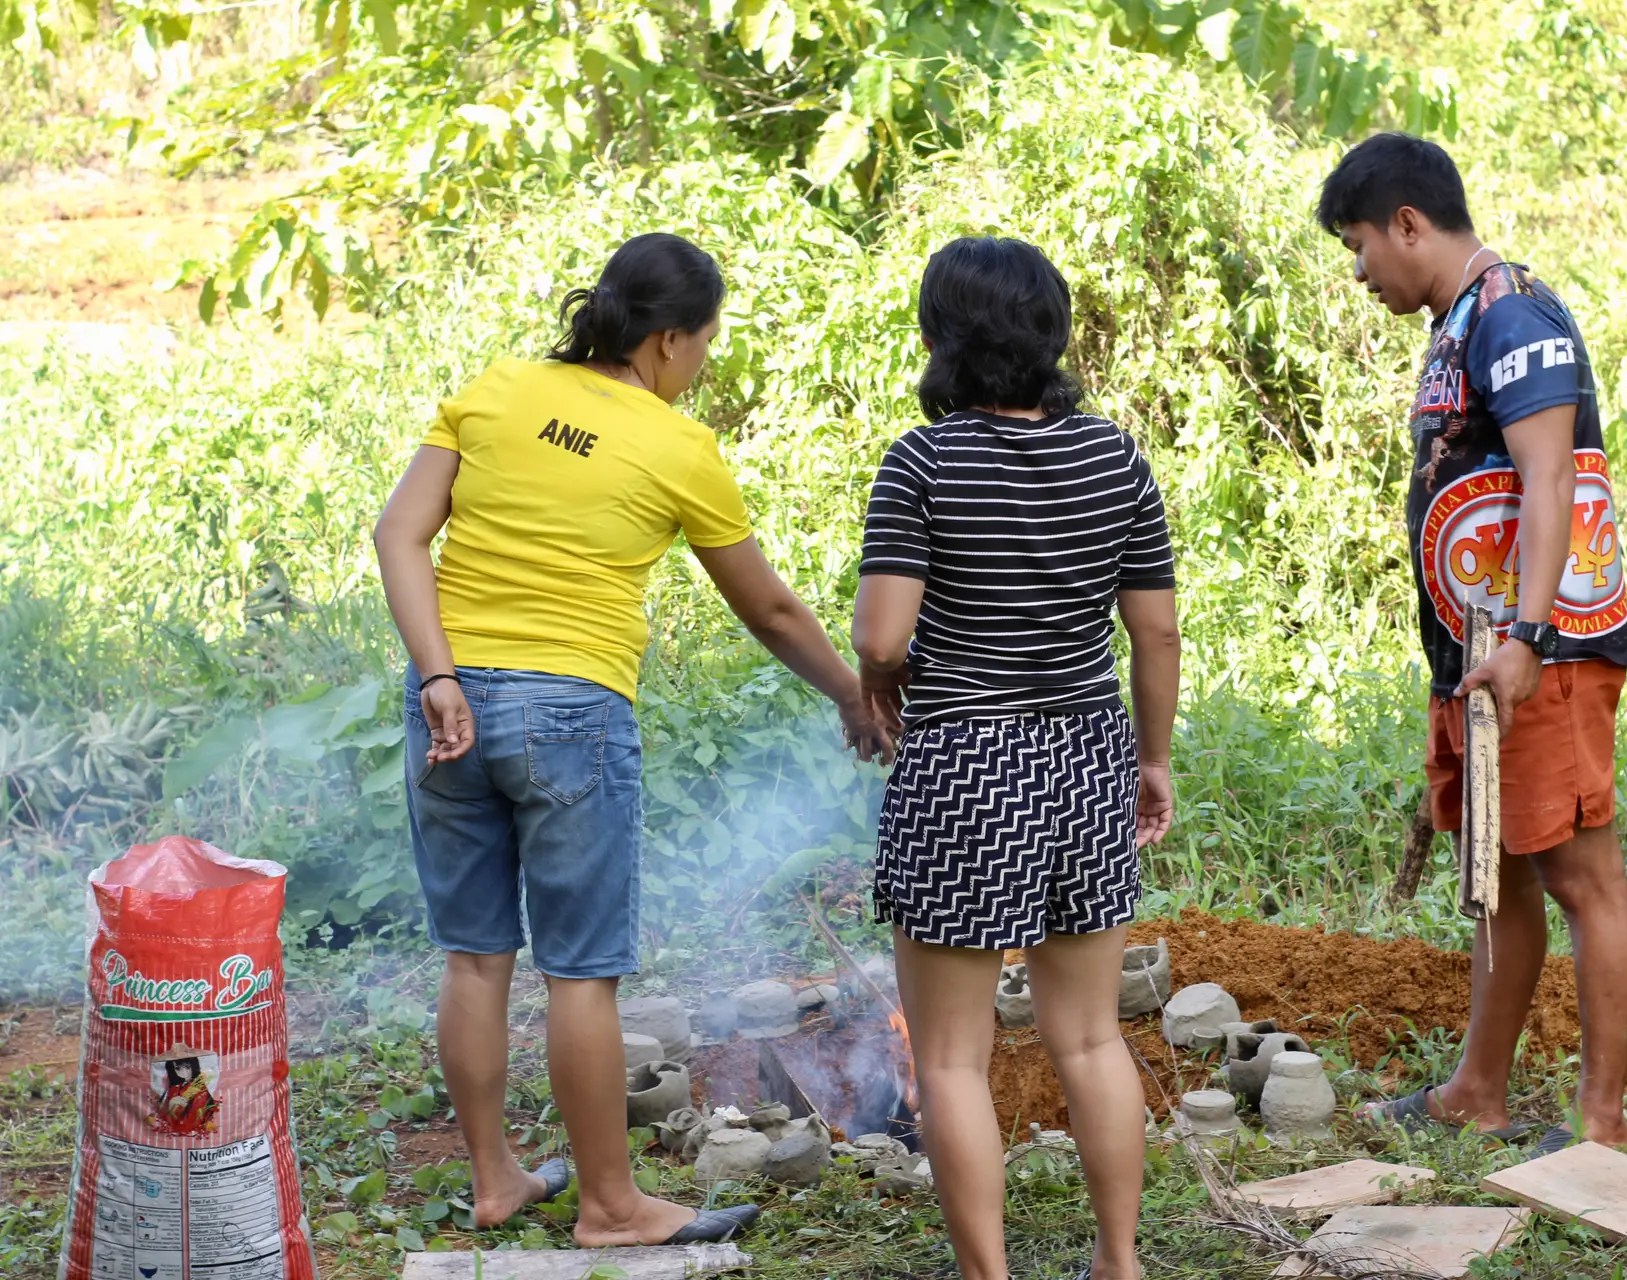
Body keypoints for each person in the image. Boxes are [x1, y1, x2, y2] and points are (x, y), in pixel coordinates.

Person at [374, 232, 886, 1246]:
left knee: (475, 959)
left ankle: (494, 1179)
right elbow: (772, 611)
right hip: (569, 711)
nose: (700, 365)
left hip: (447, 704)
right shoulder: (676, 447)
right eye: (703, 344)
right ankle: (611, 1204)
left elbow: (399, 532)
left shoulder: (497, 390)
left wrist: (440, 673)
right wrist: (852, 696)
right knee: (581, 973)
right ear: (663, 341)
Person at [854, 237, 1181, 1280]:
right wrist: (1154, 757)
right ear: (1050, 334)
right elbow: (1157, 634)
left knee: (953, 1053)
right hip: (1088, 755)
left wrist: (886, 679)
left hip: (964, 764)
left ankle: (989, 1274)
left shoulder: (924, 460)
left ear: (942, 337)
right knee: (1088, 1036)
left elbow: (879, 638)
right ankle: (1119, 1261)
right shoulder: (1116, 458)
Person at [1316, 134, 1627, 1155]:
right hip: (1481, 652)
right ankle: (1478, 1090)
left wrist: (1534, 637)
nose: (1360, 269)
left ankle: (1601, 1125)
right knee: (1497, 868)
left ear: (1408, 223)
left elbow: (1550, 476)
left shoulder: (1513, 313)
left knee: (1583, 875)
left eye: (1361, 244)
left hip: (1540, 650)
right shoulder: (1461, 319)